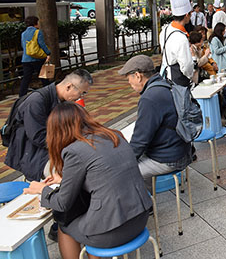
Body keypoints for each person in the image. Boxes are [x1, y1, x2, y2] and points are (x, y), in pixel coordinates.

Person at [24, 102, 152, 258]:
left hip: (115, 230)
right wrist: (64, 178)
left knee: (64, 227)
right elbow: (102, 173)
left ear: (57, 130)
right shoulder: (113, 134)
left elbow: (62, 203)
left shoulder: (74, 150)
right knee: (90, 218)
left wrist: (41, 189)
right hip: (140, 217)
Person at [6, 69, 94, 182]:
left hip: (49, 149)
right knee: (71, 176)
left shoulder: (63, 100)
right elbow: (38, 137)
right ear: (69, 87)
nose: (81, 97)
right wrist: (69, 143)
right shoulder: (36, 101)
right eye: (81, 93)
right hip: (33, 153)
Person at [119, 55, 193, 181]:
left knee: (121, 174)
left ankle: (144, 200)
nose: (129, 84)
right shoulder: (166, 84)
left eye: (128, 79)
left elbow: (140, 140)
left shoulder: (150, 97)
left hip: (169, 158)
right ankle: (147, 196)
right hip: (183, 150)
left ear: (137, 75)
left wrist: (121, 163)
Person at [159, 0, 194, 86]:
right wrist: (190, 76)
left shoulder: (165, 30)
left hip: (165, 76)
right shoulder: (181, 38)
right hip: (178, 81)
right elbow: (186, 66)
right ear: (187, 15)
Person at [19, 16, 52, 97]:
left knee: (26, 78)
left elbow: (23, 46)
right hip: (37, 59)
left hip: (26, 59)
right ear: (35, 23)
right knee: (43, 77)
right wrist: (48, 53)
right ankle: (49, 93)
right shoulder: (38, 32)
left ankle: (21, 95)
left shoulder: (23, 34)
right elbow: (42, 44)